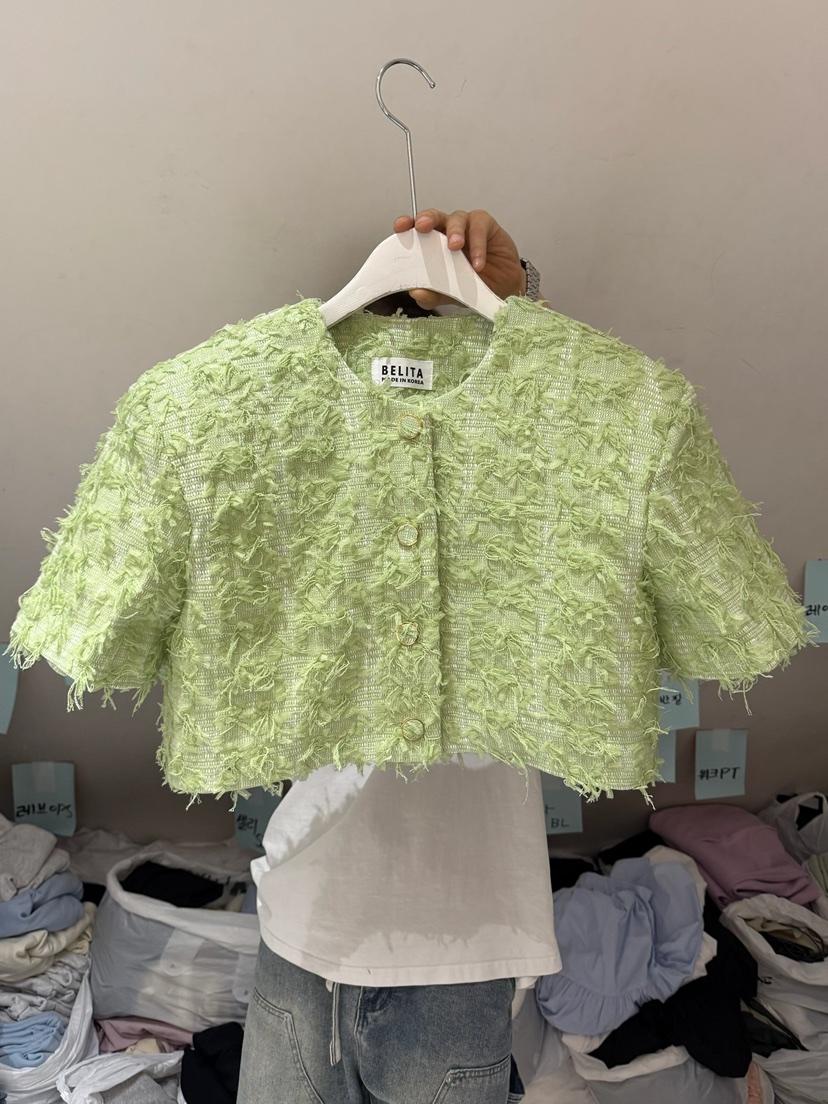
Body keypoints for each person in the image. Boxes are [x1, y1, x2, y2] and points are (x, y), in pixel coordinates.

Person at [236, 209, 558, 1104]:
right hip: (305, 910)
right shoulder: (288, 444)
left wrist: (518, 296)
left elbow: (568, 416)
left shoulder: (516, 462)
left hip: (463, 934)